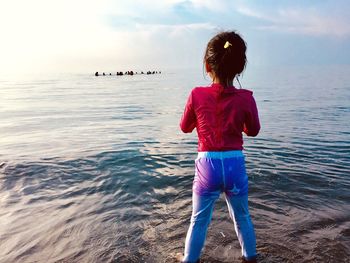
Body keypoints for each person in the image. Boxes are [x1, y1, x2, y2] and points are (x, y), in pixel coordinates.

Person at [179, 31, 260, 263]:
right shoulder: (246, 98)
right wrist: (239, 126)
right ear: (239, 68)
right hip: (234, 163)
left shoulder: (197, 94)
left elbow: (185, 127)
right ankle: (250, 257)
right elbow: (253, 130)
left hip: (207, 165)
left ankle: (189, 260)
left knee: (198, 220)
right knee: (242, 216)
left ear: (207, 65)